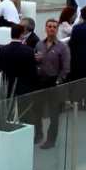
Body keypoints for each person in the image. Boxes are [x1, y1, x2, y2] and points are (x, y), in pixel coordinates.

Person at [34, 19, 71, 149]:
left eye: (54, 27)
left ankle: (51, 140)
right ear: (45, 28)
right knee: (37, 111)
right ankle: (38, 135)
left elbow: (66, 68)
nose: (51, 29)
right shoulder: (39, 44)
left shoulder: (62, 47)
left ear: (57, 29)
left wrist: (58, 81)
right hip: (40, 83)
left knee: (54, 114)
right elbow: (35, 62)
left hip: (54, 83)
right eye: (49, 26)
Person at [0, 24, 37, 98]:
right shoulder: (29, 50)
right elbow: (33, 71)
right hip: (24, 86)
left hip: (7, 85)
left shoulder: (2, 49)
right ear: (22, 34)